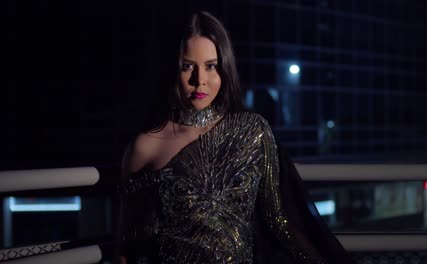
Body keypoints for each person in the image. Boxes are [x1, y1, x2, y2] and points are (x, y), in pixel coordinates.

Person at [117, 10, 354, 264]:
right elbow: (125, 247)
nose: (200, 81)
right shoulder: (145, 146)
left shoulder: (252, 132)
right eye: (187, 67)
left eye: (211, 67)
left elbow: (280, 222)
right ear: (171, 69)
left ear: (225, 69)